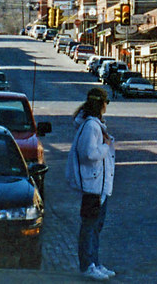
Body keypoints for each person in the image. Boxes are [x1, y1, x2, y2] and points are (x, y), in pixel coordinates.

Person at [65, 87, 116, 281]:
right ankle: (87, 265)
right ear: (100, 104)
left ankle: (95, 262)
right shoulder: (92, 126)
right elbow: (88, 153)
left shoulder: (95, 125)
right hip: (93, 185)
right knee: (89, 226)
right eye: (106, 102)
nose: (106, 106)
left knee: (96, 227)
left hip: (99, 185)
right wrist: (106, 146)